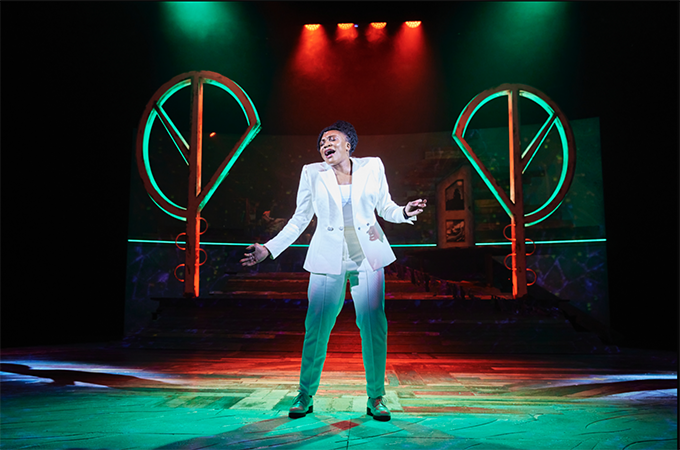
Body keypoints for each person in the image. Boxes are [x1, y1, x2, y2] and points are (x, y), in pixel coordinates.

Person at [241, 121, 426, 421]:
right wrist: (269, 249)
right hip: (327, 258)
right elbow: (300, 218)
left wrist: (404, 212)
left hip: (367, 255)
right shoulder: (312, 173)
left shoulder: (372, 166)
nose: (325, 144)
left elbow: (385, 207)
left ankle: (376, 397)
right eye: (321, 143)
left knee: (373, 325)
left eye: (331, 139)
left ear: (348, 144)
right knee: (316, 326)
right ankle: (305, 394)